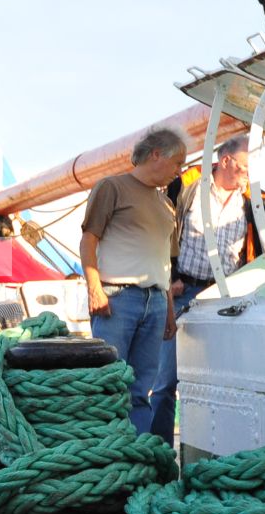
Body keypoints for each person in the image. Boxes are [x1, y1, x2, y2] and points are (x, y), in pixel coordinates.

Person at [147, 138, 265, 441]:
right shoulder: (186, 186)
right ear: (226, 161)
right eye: (245, 167)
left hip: (229, 297)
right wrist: (170, 277)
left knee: (230, 378)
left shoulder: (257, 200)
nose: (248, 174)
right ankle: (159, 452)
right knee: (165, 380)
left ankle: (225, 443)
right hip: (184, 291)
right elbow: (160, 232)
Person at [79, 129, 186, 433]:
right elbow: (88, 241)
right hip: (116, 299)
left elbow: (164, 263)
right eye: (177, 162)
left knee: (141, 391)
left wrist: (167, 309)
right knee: (108, 384)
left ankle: (136, 461)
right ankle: (104, 457)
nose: (180, 170)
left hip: (155, 302)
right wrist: (95, 289)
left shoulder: (168, 206)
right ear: (157, 154)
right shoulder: (111, 187)